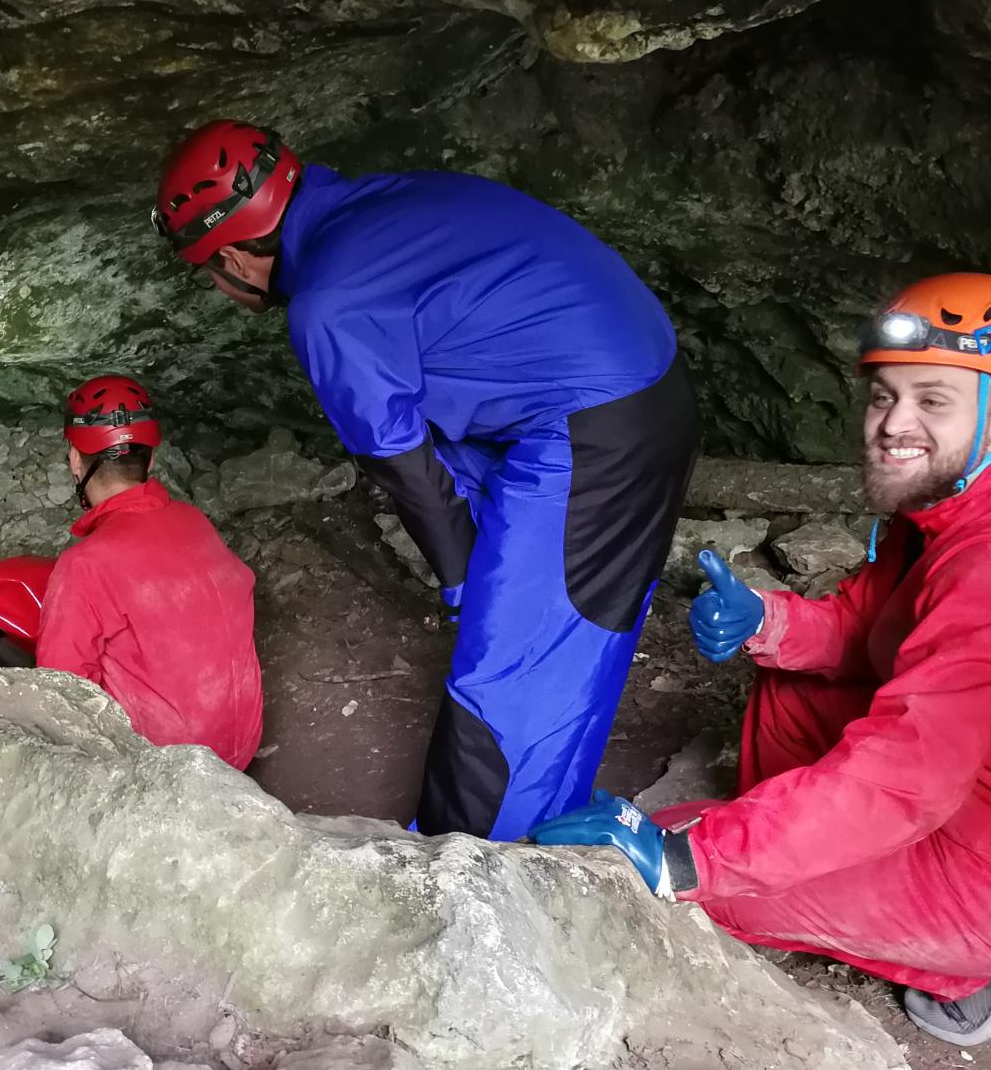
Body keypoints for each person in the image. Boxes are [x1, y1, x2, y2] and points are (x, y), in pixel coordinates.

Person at [528, 273, 991, 1047]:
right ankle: (813, 858)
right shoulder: (954, 498)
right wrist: (767, 620)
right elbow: (871, 627)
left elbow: (899, 780)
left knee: (671, 865)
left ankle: (990, 970)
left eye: (932, 399)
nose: (894, 423)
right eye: (883, 396)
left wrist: (685, 858)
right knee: (792, 686)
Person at [150, 119, 699, 841]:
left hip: (595, 427)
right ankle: (553, 816)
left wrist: (465, 583)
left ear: (232, 257)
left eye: (209, 272)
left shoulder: (329, 307)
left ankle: (478, 866)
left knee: (516, 666)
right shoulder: (390, 201)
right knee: (573, 635)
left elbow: (401, 463)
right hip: (638, 384)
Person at [34, 375, 265, 770]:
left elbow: (61, 690)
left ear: (75, 459)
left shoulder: (84, 565)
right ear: (152, 458)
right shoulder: (193, 520)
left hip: (167, 769)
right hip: (239, 747)